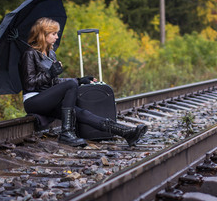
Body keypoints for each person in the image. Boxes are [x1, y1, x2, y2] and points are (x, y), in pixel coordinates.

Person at [19, 17, 147, 147]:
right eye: (54, 34)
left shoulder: (51, 54)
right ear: (43, 34)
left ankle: (126, 133)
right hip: (34, 100)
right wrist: (50, 73)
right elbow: (29, 83)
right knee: (70, 85)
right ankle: (66, 133)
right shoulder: (29, 54)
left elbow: (55, 82)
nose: (57, 37)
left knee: (81, 113)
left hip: (48, 99)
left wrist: (80, 80)